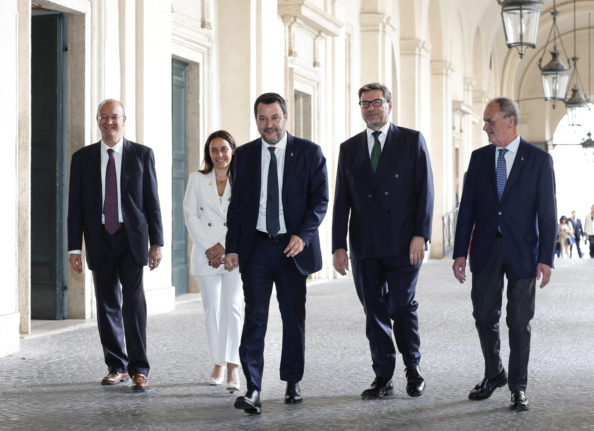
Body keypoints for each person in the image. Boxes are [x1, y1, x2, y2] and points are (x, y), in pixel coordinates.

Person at [224, 93, 328, 415]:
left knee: (292, 317)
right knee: (254, 318)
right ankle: (253, 388)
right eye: (262, 119)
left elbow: (320, 201)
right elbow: (238, 207)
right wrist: (231, 247)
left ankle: (292, 380)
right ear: (256, 120)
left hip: (290, 248)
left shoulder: (309, 153)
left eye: (274, 117)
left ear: (285, 117)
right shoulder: (244, 155)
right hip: (256, 249)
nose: (269, 125)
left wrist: (303, 235)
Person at [452, 97, 557, 411]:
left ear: (510, 121)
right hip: (485, 249)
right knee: (484, 315)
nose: (485, 127)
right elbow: (466, 208)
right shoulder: (479, 158)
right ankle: (493, 372)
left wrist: (547, 257)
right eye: (485, 122)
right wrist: (459, 253)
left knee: (519, 320)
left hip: (524, 250)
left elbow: (548, 212)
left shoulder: (538, 160)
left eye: (490, 122)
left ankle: (518, 385)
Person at [332, 82, 434, 400]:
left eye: (376, 102)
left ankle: (413, 369)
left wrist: (422, 235)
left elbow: (425, 191)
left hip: (405, 242)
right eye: (364, 104)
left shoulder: (412, 140)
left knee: (401, 305)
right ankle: (383, 376)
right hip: (365, 245)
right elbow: (341, 200)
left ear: (389, 105)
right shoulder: (349, 148)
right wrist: (338, 245)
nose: (371, 108)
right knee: (374, 310)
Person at [67, 99, 163, 392]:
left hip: (131, 238)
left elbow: (152, 201)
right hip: (98, 239)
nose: (109, 122)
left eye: (114, 117)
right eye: (104, 117)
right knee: (107, 303)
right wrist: (74, 247)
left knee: (133, 305)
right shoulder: (82, 158)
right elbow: (76, 206)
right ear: (98, 121)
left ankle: (139, 369)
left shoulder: (142, 155)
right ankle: (116, 366)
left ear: (124, 120)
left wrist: (156, 242)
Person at [183, 130, 243, 392]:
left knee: (232, 308)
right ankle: (217, 363)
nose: (219, 155)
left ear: (232, 150)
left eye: (224, 149)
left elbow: (245, 217)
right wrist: (211, 247)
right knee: (212, 312)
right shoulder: (197, 179)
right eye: (214, 150)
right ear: (208, 153)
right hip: (207, 254)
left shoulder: (243, 179)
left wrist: (226, 246)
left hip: (233, 254)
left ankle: (233, 365)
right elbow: (190, 215)